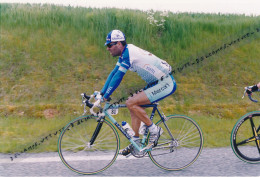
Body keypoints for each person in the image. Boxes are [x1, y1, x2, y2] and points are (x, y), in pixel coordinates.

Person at [99, 29, 177, 156]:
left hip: (165, 83)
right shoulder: (125, 53)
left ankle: (155, 130)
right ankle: (136, 142)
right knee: (132, 105)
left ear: (118, 44)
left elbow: (118, 77)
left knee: (131, 102)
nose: (107, 48)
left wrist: (106, 96)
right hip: (155, 83)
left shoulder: (129, 53)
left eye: (109, 45)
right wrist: (102, 94)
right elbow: (113, 73)